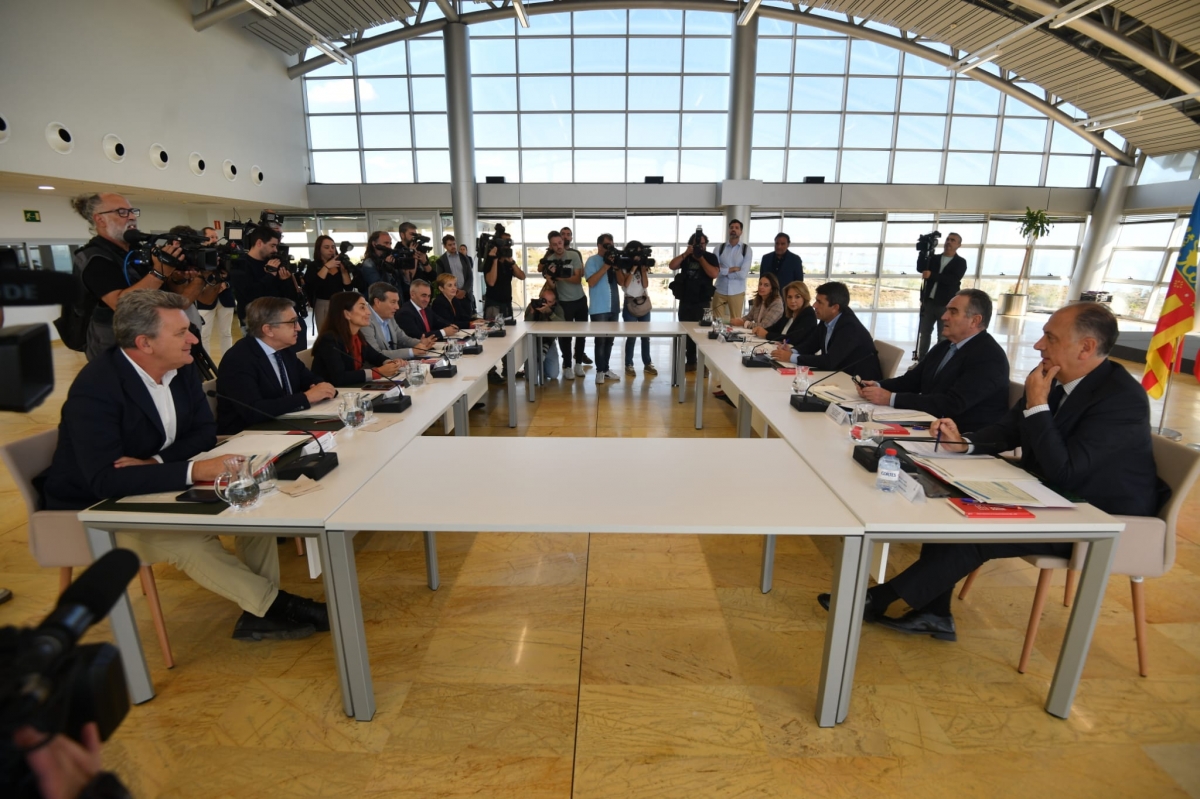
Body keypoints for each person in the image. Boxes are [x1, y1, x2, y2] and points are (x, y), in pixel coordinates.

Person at [821, 303, 1159, 642]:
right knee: (951, 503)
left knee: (979, 533)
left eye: (1050, 338)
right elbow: (1008, 430)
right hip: (1048, 494)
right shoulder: (1053, 376)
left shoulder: (1120, 399)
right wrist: (964, 443)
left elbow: (1065, 471)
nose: (1038, 345)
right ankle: (932, 613)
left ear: (1086, 347)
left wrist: (1038, 405)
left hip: (1099, 516)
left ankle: (877, 600)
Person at [42, 290, 326, 641]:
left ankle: (259, 613)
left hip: (152, 483)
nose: (194, 340)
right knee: (191, 543)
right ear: (144, 343)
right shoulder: (97, 387)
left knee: (255, 506)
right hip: (90, 507)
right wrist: (194, 471)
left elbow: (204, 433)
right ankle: (275, 606)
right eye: (181, 333)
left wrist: (155, 462)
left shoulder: (182, 367)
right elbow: (105, 480)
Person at [856, 289, 1009, 433]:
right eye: (947, 310)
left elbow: (952, 404)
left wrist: (891, 398)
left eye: (953, 312)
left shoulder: (989, 357)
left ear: (974, 321)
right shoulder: (945, 346)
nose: (944, 317)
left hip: (961, 435)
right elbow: (912, 381)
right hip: (931, 423)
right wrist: (878, 386)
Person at [67, 193, 179, 361]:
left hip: (151, 339)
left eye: (132, 211)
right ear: (100, 219)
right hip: (116, 349)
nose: (132, 217)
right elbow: (121, 304)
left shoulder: (136, 251)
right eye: (122, 212)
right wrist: (159, 272)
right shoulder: (94, 258)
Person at [215, 297, 337, 436]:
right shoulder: (239, 359)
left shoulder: (284, 351)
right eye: (292, 322)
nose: (299, 327)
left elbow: (309, 378)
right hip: (247, 435)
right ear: (268, 330)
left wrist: (321, 387)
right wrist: (306, 397)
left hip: (283, 425)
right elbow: (254, 410)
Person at [771, 281, 882, 381]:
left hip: (861, 382)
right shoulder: (827, 319)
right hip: (838, 376)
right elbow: (811, 345)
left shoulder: (850, 327)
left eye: (819, 302)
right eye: (816, 300)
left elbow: (829, 361)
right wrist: (792, 351)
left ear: (834, 307)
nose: (814, 305)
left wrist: (791, 357)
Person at [228, 225, 308, 351]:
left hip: (281, 320)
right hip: (257, 322)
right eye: (272, 245)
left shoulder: (275, 261)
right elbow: (250, 295)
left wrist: (285, 280)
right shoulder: (240, 264)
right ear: (259, 243)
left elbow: (290, 298)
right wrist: (270, 275)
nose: (275, 250)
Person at [311, 292, 404, 386]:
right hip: (331, 391)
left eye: (367, 307)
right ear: (347, 314)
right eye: (362, 307)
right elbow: (339, 377)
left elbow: (375, 356)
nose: (369, 312)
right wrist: (378, 372)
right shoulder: (329, 339)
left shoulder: (357, 335)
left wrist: (390, 363)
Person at [669, 233, 719, 371]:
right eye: (697, 244)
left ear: (706, 244)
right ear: (691, 245)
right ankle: (691, 362)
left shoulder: (710, 257)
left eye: (702, 244)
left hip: (702, 301)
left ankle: (705, 365)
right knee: (686, 333)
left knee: (704, 333)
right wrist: (686, 253)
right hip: (686, 300)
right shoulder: (686, 256)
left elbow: (714, 274)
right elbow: (672, 266)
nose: (700, 246)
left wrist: (700, 258)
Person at [542, 232, 589, 378]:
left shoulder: (573, 255)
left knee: (581, 334)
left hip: (580, 300)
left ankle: (578, 363)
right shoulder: (550, 260)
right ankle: (567, 365)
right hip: (563, 302)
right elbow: (552, 286)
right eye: (554, 244)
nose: (558, 246)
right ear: (551, 246)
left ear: (563, 241)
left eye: (560, 243)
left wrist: (560, 276)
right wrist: (550, 277)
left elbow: (577, 279)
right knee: (565, 336)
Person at [916, 232, 966, 361]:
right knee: (924, 333)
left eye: (953, 240)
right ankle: (921, 361)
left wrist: (932, 275)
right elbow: (921, 268)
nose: (949, 242)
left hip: (946, 305)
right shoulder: (934, 258)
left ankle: (938, 363)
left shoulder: (960, 262)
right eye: (948, 239)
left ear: (959, 245)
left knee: (943, 336)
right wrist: (923, 252)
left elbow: (952, 280)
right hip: (929, 302)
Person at [361, 281, 436, 360]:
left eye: (397, 302)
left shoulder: (389, 316)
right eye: (393, 302)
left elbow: (403, 339)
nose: (397, 307)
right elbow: (377, 354)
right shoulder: (365, 321)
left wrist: (421, 343)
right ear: (378, 302)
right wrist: (411, 352)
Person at [615, 241, 657, 377]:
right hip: (630, 304)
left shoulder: (641, 267)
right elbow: (625, 285)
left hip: (643, 302)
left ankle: (647, 363)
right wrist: (633, 268)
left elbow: (645, 285)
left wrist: (642, 270)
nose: (638, 256)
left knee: (646, 337)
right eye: (636, 252)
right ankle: (629, 364)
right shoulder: (622, 266)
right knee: (631, 337)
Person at [584, 234, 622, 385]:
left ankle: (605, 369)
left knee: (610, 341)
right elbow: (591, 282)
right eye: (607, 245)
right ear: (599, 246)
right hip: (599, 308)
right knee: (600, 341)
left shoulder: (614, 261)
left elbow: (621, 282)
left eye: (611, 245)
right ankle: (599, 371)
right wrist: (605, 266)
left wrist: (616, 267)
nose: (609, 248)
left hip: (614, 306)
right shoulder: (592, 261)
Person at [195, 226, 236, 359]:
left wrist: (226, 284)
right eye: (211, 237)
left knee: (226, 333)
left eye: (216, 237)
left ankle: (228, 361)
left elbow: (235, 275)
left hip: (225, 298)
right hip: (205, 300)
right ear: (203, 239)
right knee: (204, 334)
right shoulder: (197, 255)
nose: (215, 240)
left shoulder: (224, 254)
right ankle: (206, 363)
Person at [304, 235, 358, 330]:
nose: (331, 250)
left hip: (339, 302)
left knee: (342, 331)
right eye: (326, 247)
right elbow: (314, 285)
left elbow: (348, 287)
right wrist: (327, 266)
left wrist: (344, 272)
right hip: (322, 304)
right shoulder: (313, 266)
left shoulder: (338, 264)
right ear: (319, 249)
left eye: (333, 247)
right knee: (325, 332)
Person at [712, 219, 752, 321]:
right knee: (717, 321)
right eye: (731, 227)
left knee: (736, 322)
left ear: (741, 232)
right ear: (728, 230)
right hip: (720, 290)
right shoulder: (719, 248)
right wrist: (733, 269)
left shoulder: (746, 249)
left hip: (737, 291)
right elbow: (715, 271)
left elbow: (743, 274)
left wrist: (725, 271)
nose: (733, 229)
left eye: (736, 228)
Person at [481, 227, 525, 322]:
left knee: (510, 329)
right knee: (493, 329)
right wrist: (495, 260)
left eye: (509, 242)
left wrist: (512, 262)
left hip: (507, 304)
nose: (507, 246)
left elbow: (522, 276)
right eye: (504, 242)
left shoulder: (508, 262)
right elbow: (491, 282)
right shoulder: (489, 261)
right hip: (493, 304)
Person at [757, 281, 817, 347]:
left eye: (797, 297)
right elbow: (775, 328)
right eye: (789, 297)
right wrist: (760, 330)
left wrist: (767, 335)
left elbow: (793, 339)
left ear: (805, 297)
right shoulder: (789, 312)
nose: (792, 301)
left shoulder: (809, 314)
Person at [526, 284, 565, 380]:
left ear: (554, 302)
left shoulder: (557, 308)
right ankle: (537, 363)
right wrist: (532, 313)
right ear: (540, 298)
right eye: (544, 300)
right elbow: (526, 326)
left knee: (553, 375)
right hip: (533, 342)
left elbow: (562, 325)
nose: (546, 304)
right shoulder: (533, 305)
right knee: (530, 377)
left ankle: (542, 363)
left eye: (549, 302)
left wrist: (550, 312)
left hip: (549, 342)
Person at [434, 233, 475, 307]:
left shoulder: (464, 258)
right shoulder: (441, 261)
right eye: (450, 245)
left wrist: (464, 291)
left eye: (454, 244)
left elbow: (470, 276)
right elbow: (440, 280)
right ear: (445, 246)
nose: (453, 246)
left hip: (465, 295)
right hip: (450, 297)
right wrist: (454, 291)